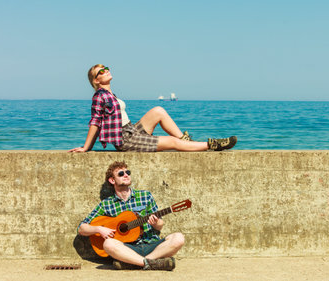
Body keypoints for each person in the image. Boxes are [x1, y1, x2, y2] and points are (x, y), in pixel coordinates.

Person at [69, 64, 237, 152]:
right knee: (172, 142)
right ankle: (212, 145)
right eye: (101, 72)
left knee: (158, 110)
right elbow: (96, 122)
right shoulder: (99, 96)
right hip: (125, 140)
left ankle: (188, 143)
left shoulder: (110, 95)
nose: (106, 71)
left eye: (106, 68)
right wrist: (86, 147)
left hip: (131, 131)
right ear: (96, 81)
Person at [78, 161, 184, 270]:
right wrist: (99, 229)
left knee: (178, 238)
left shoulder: (145, 196)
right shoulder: (106, 204)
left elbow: (160, 225)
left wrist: (156, 223)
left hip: (151, 245)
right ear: (112, 180)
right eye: (121, 173)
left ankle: (136, 263)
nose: (126, 175)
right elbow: (81, 228)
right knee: (108, 244)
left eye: (127, 172)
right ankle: (151, 263)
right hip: (127, 249)